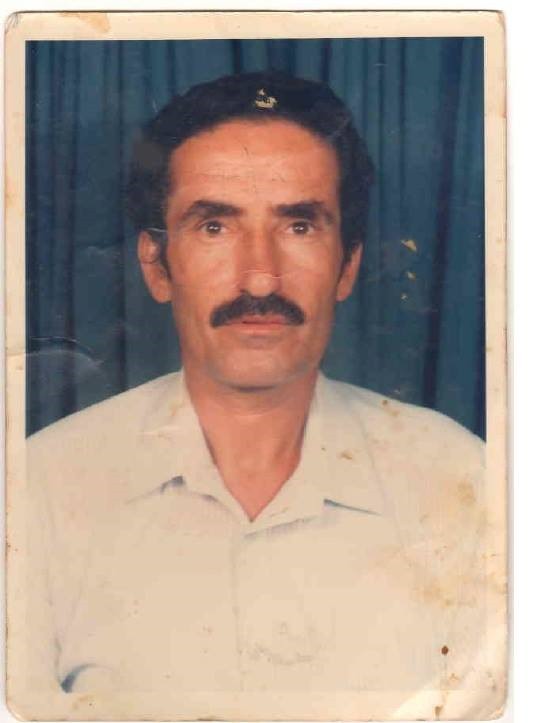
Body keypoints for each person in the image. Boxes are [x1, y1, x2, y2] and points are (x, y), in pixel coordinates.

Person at [21, 71, 502, 720]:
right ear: (156, 265)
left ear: (348, 265)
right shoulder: (39, 487)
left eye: (299, 225)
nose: (259, 279)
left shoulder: (461, 478)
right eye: (214, 227)